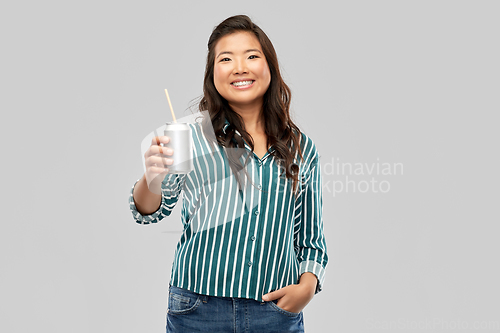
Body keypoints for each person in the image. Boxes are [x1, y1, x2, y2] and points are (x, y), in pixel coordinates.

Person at [129, 14, 328, 333]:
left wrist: (306, 287)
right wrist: (151, 176)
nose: (240, 67)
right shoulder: (189, 135)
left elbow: (311, 239)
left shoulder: (301, 148)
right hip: (198, 310)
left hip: (274, 312)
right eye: (226, 58)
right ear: (213, 74)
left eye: (252, 56)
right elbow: (149, 210)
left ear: (270, 68)